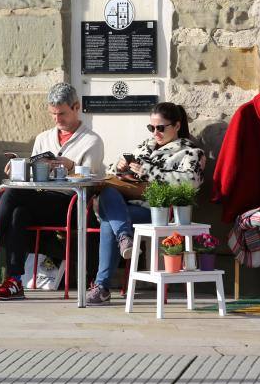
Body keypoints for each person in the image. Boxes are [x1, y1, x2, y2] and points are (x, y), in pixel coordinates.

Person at [0, 83, 105, 300]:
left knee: (10, 194)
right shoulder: (43, 138)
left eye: (62, 114)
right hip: (41, 198)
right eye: (53, 114)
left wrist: (70, 165)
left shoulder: (92, 141)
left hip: (71, 203)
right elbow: (35, 174)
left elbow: (92, 180)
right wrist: (21, 167)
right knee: (18, 210)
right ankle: (14, 281)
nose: (57, 119)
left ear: (76, 107)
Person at [86, 101, 205, 305]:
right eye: (152, 128)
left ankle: (102, 286)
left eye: (161, 128)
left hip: (156, 210)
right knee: (107, 192)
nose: (155, 133)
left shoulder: (191, 152)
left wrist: (149, 172)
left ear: (176, 126)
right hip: (125, 204)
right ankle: (124, 238)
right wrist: (120, 166)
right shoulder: (144, 146)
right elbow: (116, 175)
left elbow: (190, 182)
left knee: (109, 220)